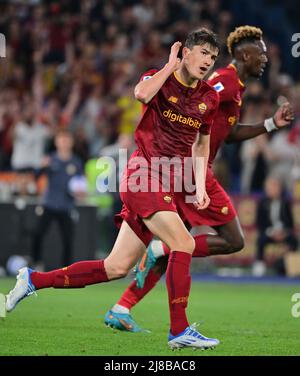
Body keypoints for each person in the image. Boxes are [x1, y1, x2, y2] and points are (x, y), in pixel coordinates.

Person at [4, 29, 221, 350]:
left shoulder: (209, 97)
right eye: (203, 52)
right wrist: (168, 67)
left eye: (213, 57)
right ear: (185, 52)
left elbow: (201, 145)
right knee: (183, 243)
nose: (208, 61)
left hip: (168, 181)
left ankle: (33, 280)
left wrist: (200, 182)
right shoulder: (159, 78)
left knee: (116, 267)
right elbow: (142, 95)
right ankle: (179, 331)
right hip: (142, 174)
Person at [103, 26, 295, 332]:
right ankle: (161, 263)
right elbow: (194, 102)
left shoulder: (237, 87)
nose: (266, 60)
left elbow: (228, 133)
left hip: (184, 171)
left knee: (180, 248)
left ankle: (122, 306)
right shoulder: (224, 82)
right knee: (231, 240)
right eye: (261, 53)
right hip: (193, 172)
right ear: (245, 54)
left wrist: (271, 123)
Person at [31, 129, 84, 269]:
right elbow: (36, 177)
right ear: (56, 142)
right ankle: (37, 264)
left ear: (71, 142)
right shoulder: (50, 159)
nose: (64, 143)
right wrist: (41, 167)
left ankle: (66, 270)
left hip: (66, 206)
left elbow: (81, 184)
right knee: (38, 234)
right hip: (49, 203)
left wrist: (80, 192)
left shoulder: (76, 162)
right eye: (61, 139)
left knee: (68, 239)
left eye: (67, 140)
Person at [252, 176, 298, 277]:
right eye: (269, 187)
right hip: (269, 232)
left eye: (274, 187)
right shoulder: (263, 203)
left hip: (283, 232)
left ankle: (290, 266)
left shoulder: (285, 203)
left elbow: (290, 223)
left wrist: (284, 232)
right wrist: (271, 232)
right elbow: (260, 223)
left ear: (280, 188)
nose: (271, 190)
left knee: (294, 240)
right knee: (261, 240)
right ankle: (259, 266)